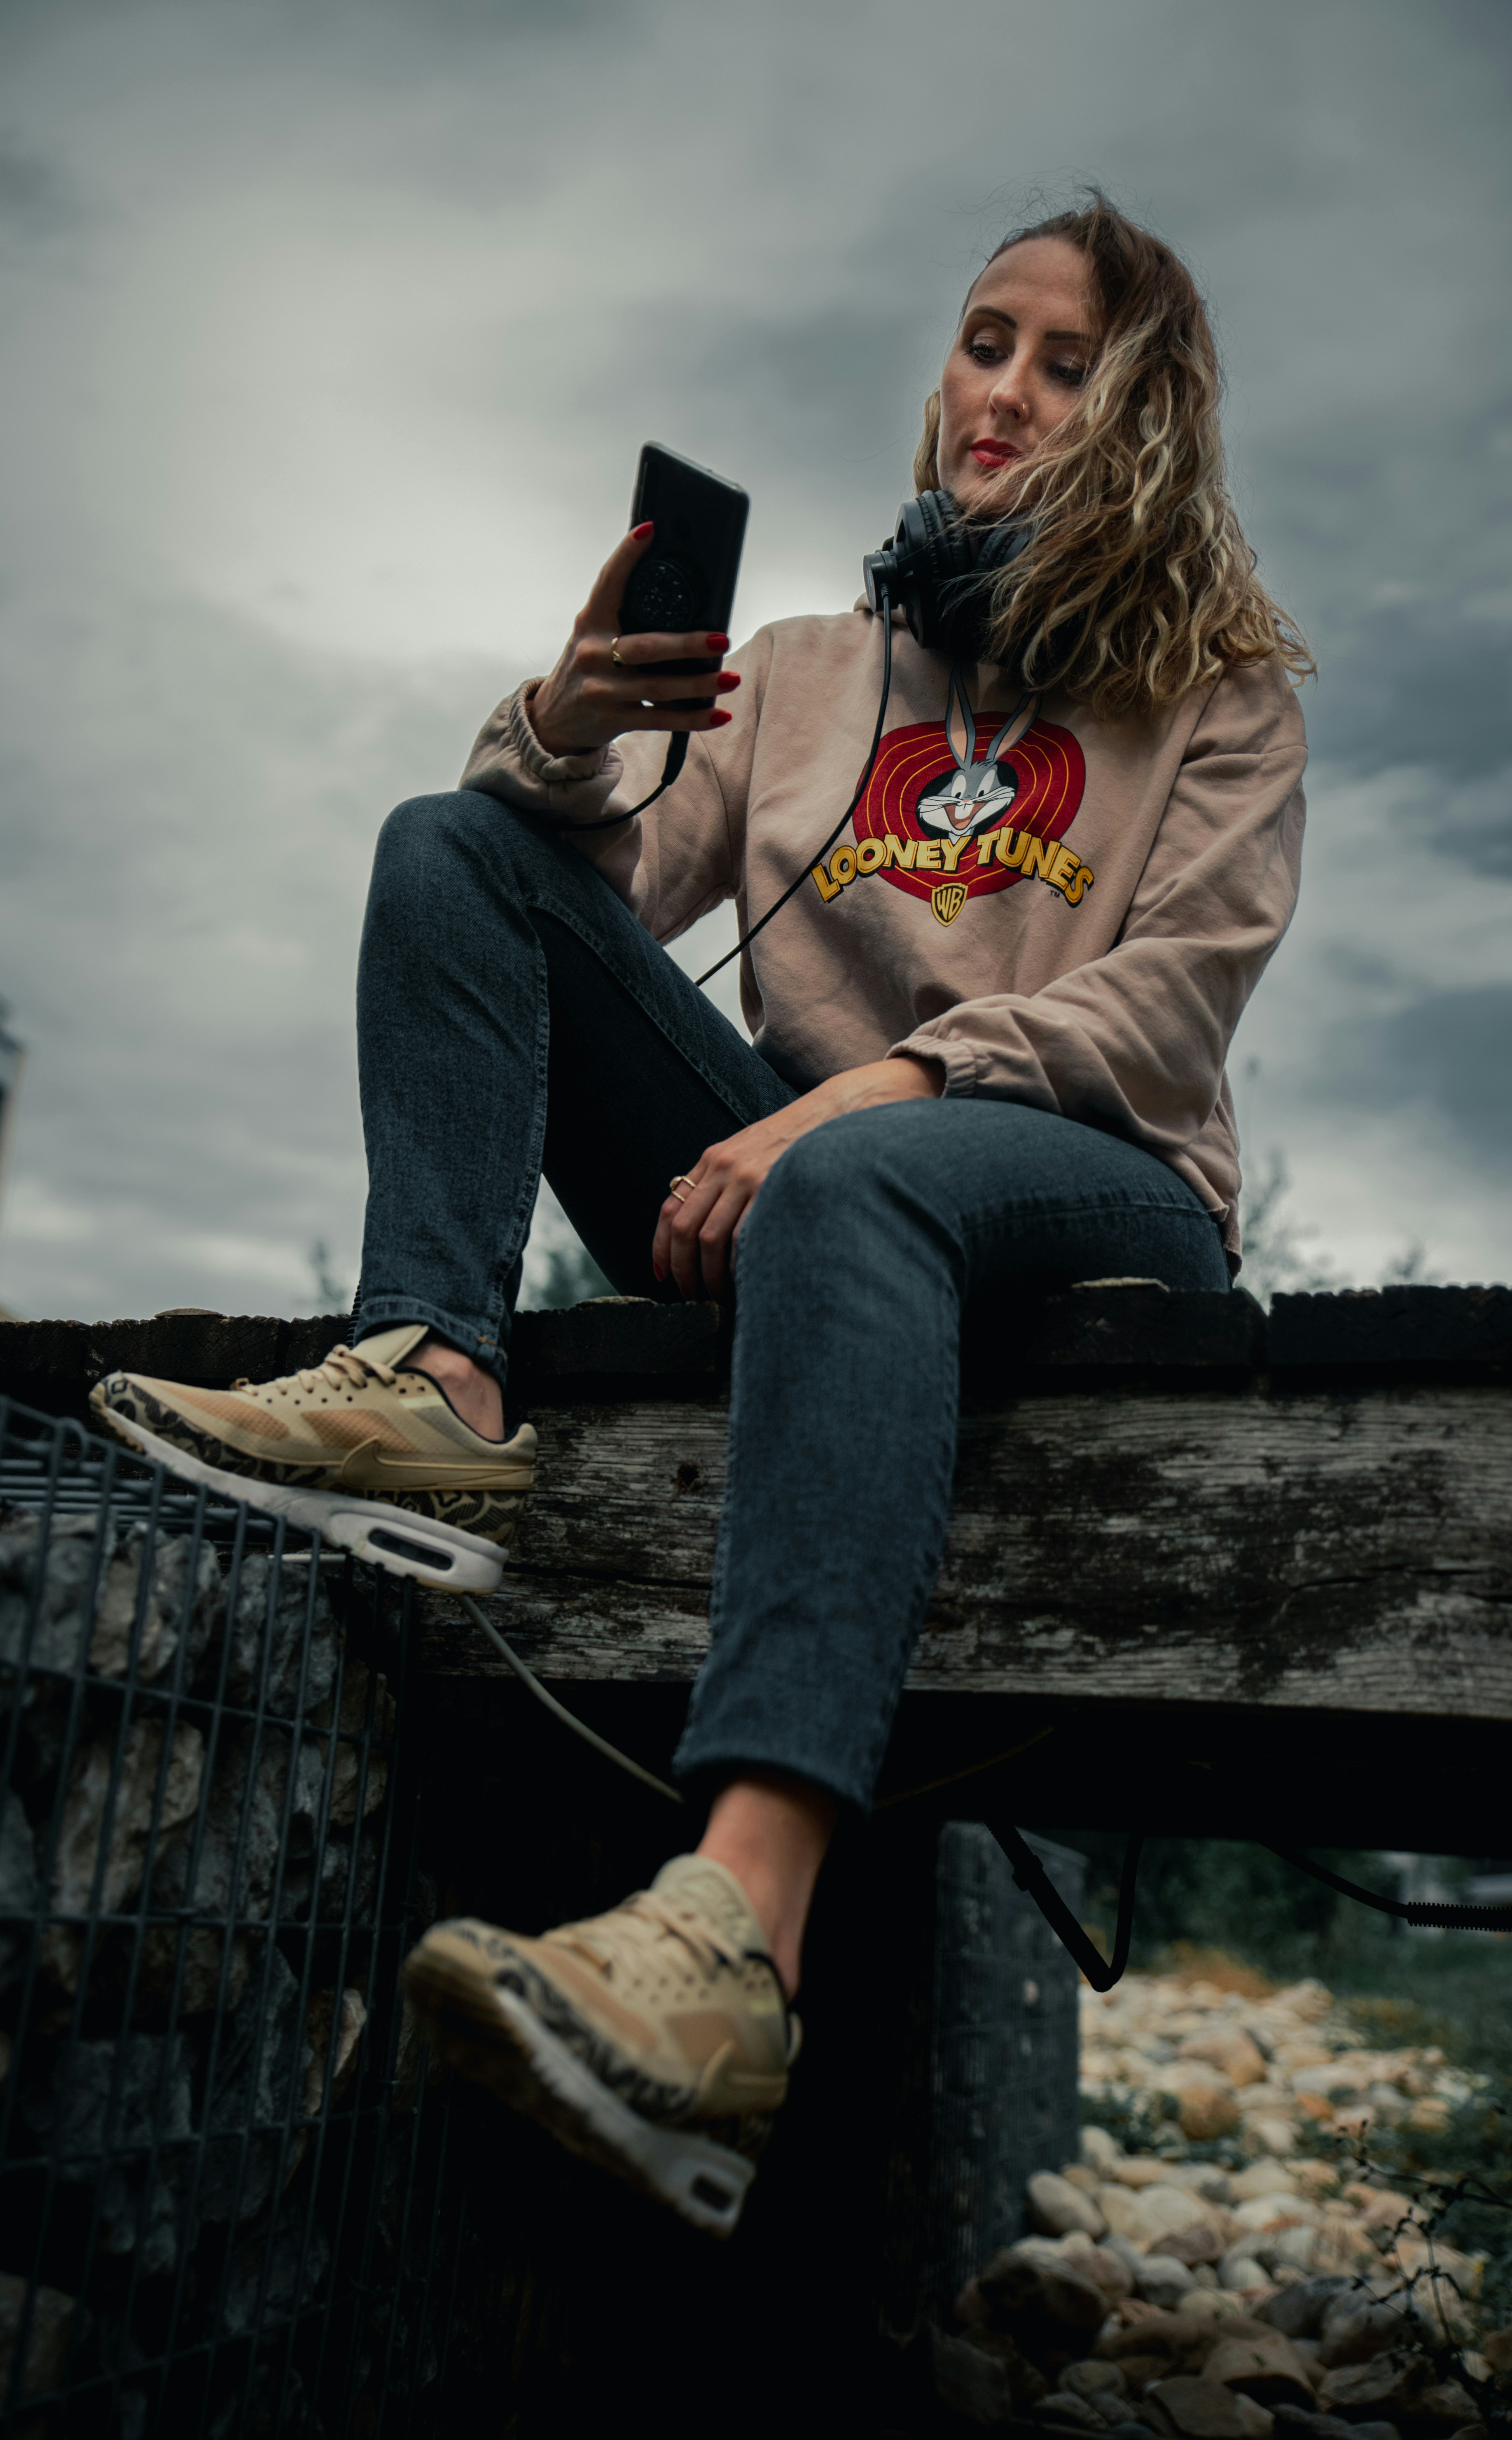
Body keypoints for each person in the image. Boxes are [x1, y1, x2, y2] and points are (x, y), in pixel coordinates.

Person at [93, 196, 1311, 2237]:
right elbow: (599, 874)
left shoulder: (1222, 688)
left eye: (1064, 362)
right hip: (817, 1174)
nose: (1000, 389)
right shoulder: (819, 670)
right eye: (981, 341)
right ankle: (440, 1369)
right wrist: (569, 722)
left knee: (852, 1168)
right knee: (448, 846)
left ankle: (735, 1936)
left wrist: (870, 1088)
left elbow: (1169, 1005)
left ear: (1147, 416)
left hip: (1096, 1189)